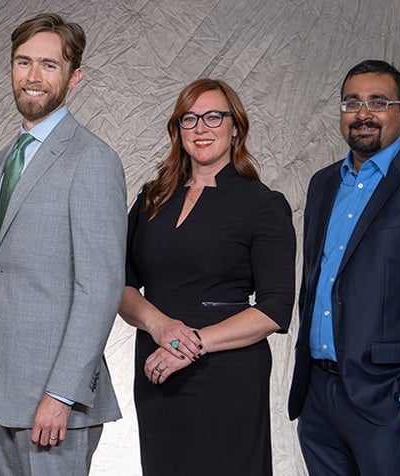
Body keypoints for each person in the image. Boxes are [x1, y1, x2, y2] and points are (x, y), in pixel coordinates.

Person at [0, 13, 127, 475]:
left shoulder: (92, 159)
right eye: (23, 62)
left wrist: (62, 394)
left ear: (74, 77)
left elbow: (102, 287)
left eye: (49, 65)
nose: (33, 77)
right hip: (0, 397)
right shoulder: (2, 162)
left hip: (56, 408)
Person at [119, 78, 296, 475]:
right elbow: (121, 284)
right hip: (156, 367)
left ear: (236, 128)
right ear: (177, 130)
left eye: (214, 117)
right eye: (190, 118)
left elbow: (274, 308)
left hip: (226, 373)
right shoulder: (152, 198)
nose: (201, 128)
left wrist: (191, 343)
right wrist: (160, 327)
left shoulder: (263, 204)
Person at [288, 59, 400, 476]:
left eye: (377, 102)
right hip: (319, 398)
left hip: (387, 400)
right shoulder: (323, 183)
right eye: (352, 103)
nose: (362, 113)